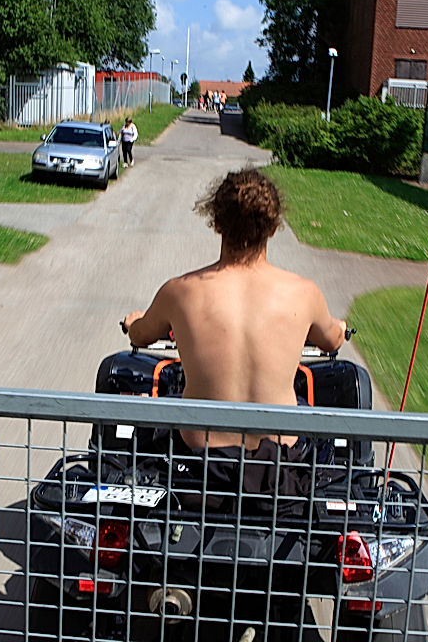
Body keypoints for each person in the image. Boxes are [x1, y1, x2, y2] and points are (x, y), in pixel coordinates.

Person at [122, 169, 347, 451]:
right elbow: (332, 340)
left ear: (217, 223)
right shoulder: (305, 294)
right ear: (273, 227)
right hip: (276, 460)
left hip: (201, 458)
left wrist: (133, 323)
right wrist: (340, 328)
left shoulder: (179, 291)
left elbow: (140, 336)